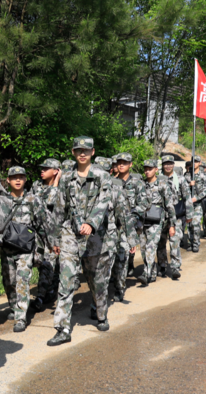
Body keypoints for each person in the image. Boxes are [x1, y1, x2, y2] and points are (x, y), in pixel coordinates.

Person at [47, 136, 114, 346]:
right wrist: (56, 236)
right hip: (70, 234)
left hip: (95, 236)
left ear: (93, 152)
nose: (82, 153)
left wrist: (92, 223)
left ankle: (101, 313)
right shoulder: (66, 178)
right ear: (73, 152)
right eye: (78, 150)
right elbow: (59, 208)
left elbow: (104, 202)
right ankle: (62, 328)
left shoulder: (103, 176)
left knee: (96, 280)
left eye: (86, 150)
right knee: (66, 279)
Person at [1, 166, 48, 332]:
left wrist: (47, 244)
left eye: (21, 176)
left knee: (22, 280)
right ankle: (14, 307)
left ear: (26, 179)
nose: (18, 180)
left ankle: (21, 317)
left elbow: (42, 223)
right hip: (7, 248)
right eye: (14, 177)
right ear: (8, 180)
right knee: (9, 281)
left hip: (25, 249)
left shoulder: (33, 200)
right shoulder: (2, 200)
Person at [133, 159, 176, 286]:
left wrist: (172, 225)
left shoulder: (163, 184)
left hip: (157, 220)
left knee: (151, 247)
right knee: (144, 248)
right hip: (143, 220)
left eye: (150, 169)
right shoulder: (141, 184)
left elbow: (170, 206)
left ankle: (146, 273)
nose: (147, 171)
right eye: (145, 169)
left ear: (156, 170)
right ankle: (151, 273)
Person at [109, 152, 142, 302]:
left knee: (122, 257)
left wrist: (134, 215)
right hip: (109, 226)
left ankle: (119, 288)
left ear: (130, 164)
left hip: (126, 225)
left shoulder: (137, 183)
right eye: (119, 162)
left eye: (125, 162)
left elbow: (145, 203)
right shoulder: (109, 182)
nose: (121, 165)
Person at [33, 158, 62, 307]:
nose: (42, 171)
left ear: (56, 171)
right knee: (43, 263)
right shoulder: (36, 186)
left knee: (53, 264)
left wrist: (56, 184)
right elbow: (43, 205)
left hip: (56, 232)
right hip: (39, 231)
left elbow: (53, 202)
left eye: (46, 168)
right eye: (42, 168)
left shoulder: (62, 187)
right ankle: (43, 295)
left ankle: (43, 295)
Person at [158, 154, 190, 280]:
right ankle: (162, 265)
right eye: (165, 163)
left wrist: (189, 214)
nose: (168, 166)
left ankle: (175, 267)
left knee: (175, 241)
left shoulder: (180, 180)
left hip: (175, 215)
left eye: (170, 163)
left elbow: (187, 197)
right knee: (161, 242)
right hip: (160, 215)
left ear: (173, 165)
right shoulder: (158, 179)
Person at [185, 155, 206, 253]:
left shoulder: (204, 176)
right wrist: (188, 184)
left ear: (200, 163)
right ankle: (190, 242)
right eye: (193, 161)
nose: (194, 163)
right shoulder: (187, 175)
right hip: (188, 204)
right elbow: (182, 187)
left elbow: (205, 190)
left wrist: (196, 198)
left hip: (197, 204)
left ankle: (196, 243)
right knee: (189, 224)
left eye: (196, 161)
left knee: (195, 223)